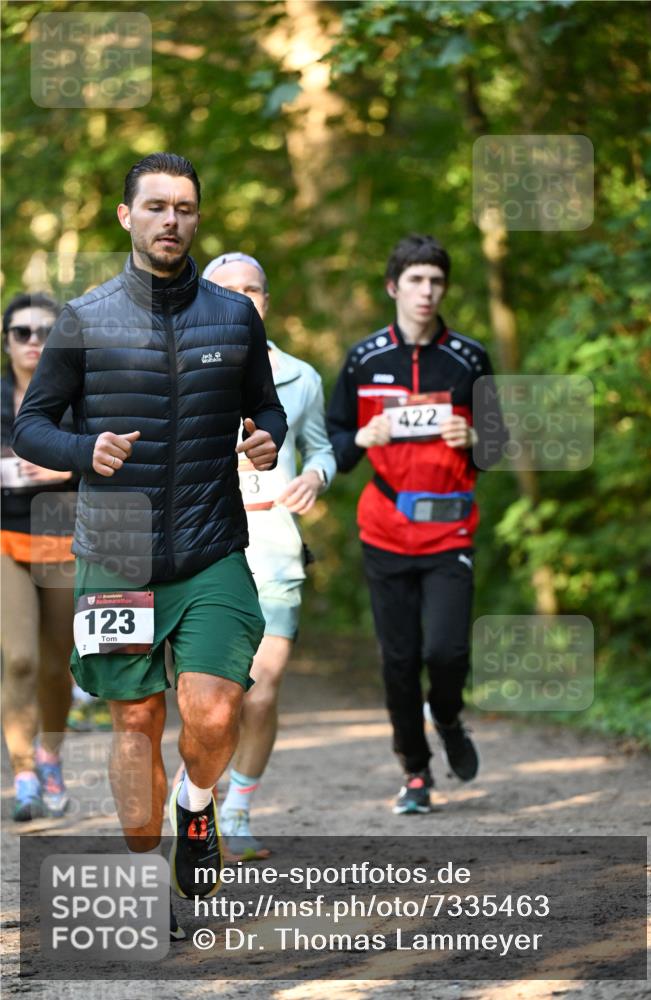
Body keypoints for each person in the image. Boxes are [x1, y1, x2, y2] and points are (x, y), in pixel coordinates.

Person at [12, 154, 287, 934]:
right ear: (127, 217)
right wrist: (82, 449)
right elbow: (35, 422)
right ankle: (149, 873)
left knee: (213, 707)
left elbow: (266, 409)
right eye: (158, 207)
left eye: (186, 209)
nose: (173, 221)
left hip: (209, 542)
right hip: (118, 550)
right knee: (135, 723)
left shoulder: (234, 319)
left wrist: (266, 439)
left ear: (198, 219)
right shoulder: (85, 318)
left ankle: (196, 805)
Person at [326, 234, 506, 815]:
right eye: (415, 281)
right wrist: (360, 435)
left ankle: (448, 717)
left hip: (449, 527)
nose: (426, 292)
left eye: (436, 281)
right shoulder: (364, 359)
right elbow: (333, 441)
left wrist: (476, 437)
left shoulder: (470, 357)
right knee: (399, 660)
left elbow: (498, 446)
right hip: (384, 527)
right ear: (393, 287)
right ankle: (416, 772)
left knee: (447, 651)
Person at [202, 251, 336, 860]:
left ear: (266, 300)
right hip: (204, 547)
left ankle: (238, 809)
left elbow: (322, 448)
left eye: (253, 288)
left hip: (276, 545)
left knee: (262, 688)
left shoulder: (301, 376)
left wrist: (316, 477)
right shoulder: (180, 368)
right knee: (214, 696)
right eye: (227, 289)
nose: (242, 298)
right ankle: (196, 798)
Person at [1, 292, 76, 821]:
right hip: (5, 538)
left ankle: (50, 755)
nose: (34, 342)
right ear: (6, 341)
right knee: (20, 660)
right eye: (22, 333)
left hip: (64, 537)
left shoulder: (80, 398)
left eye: (45, 333)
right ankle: (23, 771)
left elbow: (125, 456)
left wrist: (66, 465)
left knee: (57, 667)